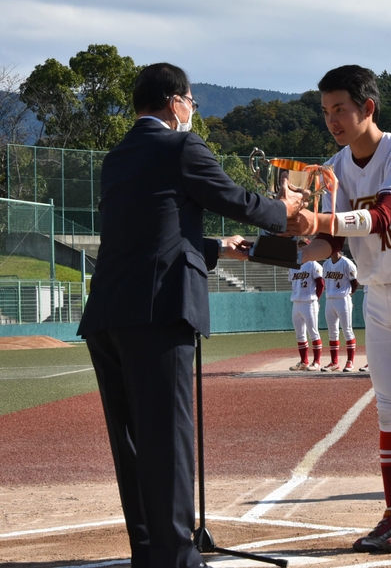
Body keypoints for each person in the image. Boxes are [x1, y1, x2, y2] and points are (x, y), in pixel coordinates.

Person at [78, 62, 307, 568]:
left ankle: (151, 551)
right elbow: (233, 198)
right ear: (175, 101)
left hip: (108, 313)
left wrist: (218, 248)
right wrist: (282, 208)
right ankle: (178, 557)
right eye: (192, 104)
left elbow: (149, 231)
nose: (192, 113)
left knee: (133, 443)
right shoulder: (181, 146)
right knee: (169, 437)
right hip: (158, 311)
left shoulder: (116, 158)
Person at [288, 65, 391, 553]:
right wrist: (259, 245)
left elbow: (380, 215)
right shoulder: (330, 167)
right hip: (377, 293)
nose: (333, 119)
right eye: (325, 111)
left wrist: (312, 217)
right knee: (389, 409)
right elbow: (325, 241)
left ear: (367, 108)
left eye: (340, 108)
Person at [322, 251, 360, 372]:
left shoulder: (347, 263)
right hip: (329, 300)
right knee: (332, 332)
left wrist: (349, 296)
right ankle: (334, 362)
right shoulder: (326, 264)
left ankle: (350, 362)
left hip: (343, 299)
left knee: (347, 330)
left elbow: (355, 282)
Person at [288, 259, 325, 371]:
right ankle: (304, 362)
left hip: (309, 302)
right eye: (300, 247)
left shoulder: (313, 264)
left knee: (313, 333)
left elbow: (321, 284)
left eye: (304, 246)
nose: (302, 249)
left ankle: (317, 362)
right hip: (296, 302)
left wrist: (316, 300)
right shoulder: (292, 265)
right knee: (300, 334)